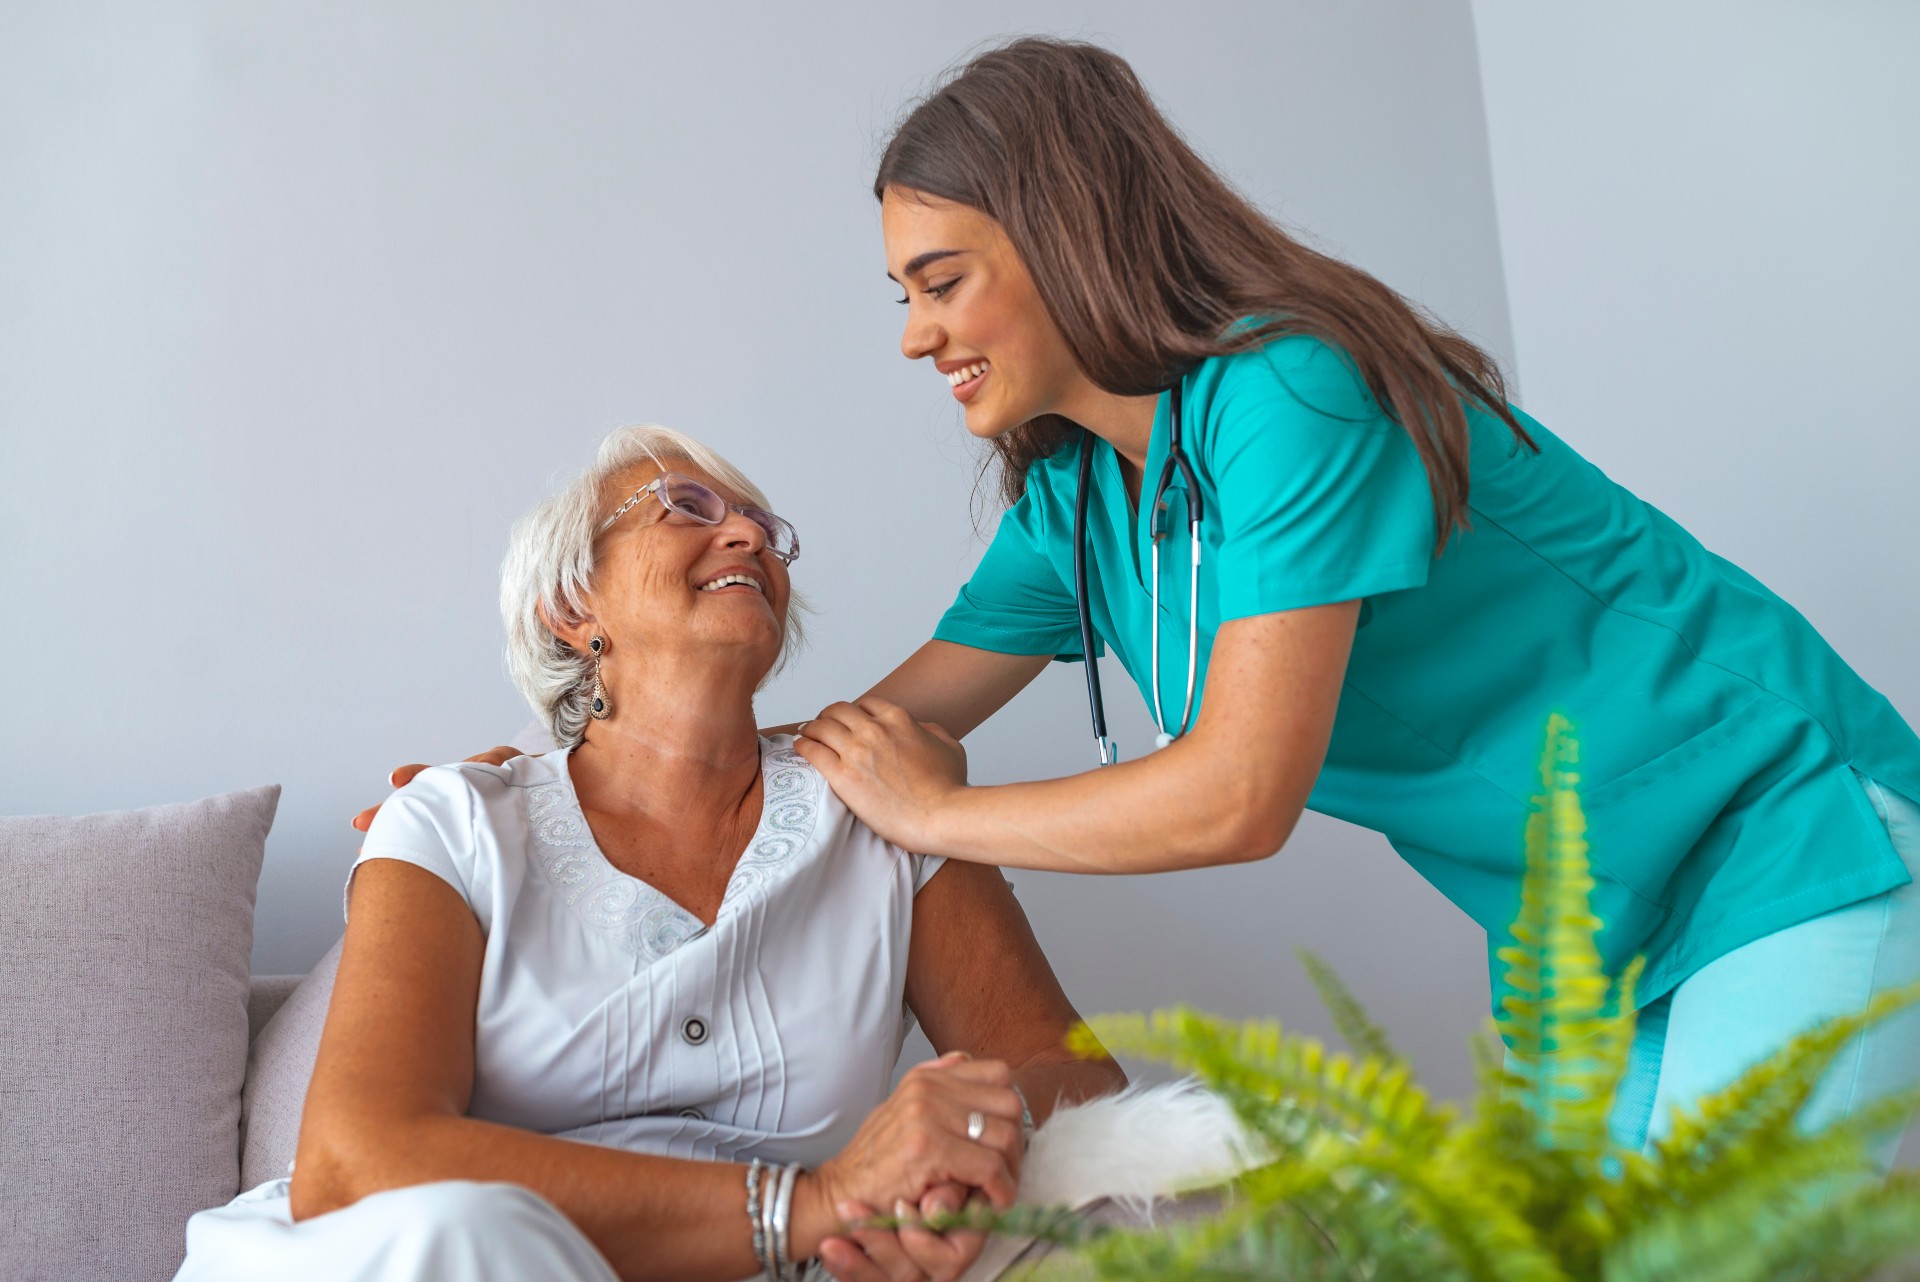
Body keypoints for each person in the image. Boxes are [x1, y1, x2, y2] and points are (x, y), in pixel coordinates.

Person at [362, 38, 1920, 1168]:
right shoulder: (1081, 508)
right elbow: (880, 732)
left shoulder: (1289, 391)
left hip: (1778, 839)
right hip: (1586, 941)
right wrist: (534, 793)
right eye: (903, 290)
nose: (913, 334)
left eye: (942, 277)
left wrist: (945, 817)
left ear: (1063, 235)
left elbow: (1240, 796)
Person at [189, 424, 1124, 1282]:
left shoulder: (885, 803)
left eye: (765, 527)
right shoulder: (452, 822)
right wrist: (810, 1204)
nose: (751, 537)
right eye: (687, 507)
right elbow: (359, 1164)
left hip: (809, 1263)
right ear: (571, 605)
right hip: (473, 1261)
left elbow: (1072, 1071)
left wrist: (957, 1139)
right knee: (463, 1239)